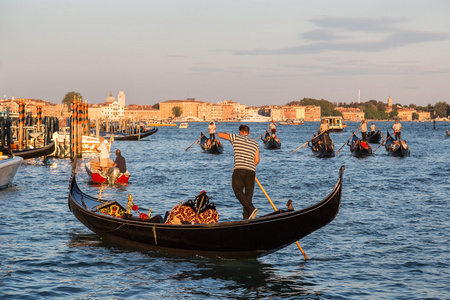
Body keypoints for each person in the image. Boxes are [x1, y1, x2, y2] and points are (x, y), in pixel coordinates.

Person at [218, 125, 260, 220]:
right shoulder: (255, 143)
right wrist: (250, 165)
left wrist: (228, 135)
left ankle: (251, 208)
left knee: (237, 191)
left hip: (239, 169)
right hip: (251, 170)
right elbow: (257, 160)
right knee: (248, 195)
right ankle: (247, 217)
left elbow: (219, 135)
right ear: (248, 133)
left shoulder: (235, 137)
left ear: (240, 132)